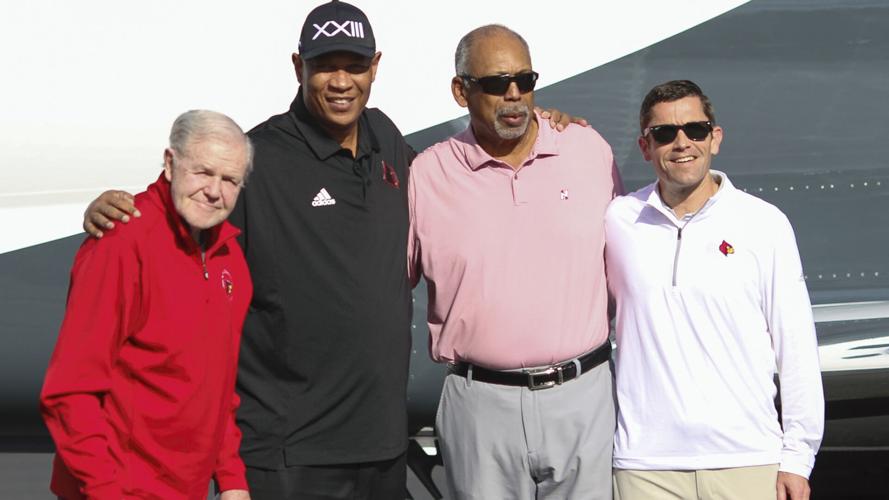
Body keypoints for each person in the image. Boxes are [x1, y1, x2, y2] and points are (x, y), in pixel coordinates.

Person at [80, 4, 580, 499]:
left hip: (382, 448)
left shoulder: (386, 140)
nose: (342, 82)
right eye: (325, 66)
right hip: (287, 456)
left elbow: (468, 182)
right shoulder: (259, 159)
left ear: (375, 68)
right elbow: (180, 218)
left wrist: (542, 127)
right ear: (299, 68)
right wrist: (119, 212)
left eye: (355, 66)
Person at [408, 25, 622, 499]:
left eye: (525, 81)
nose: (514, 95)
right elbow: (386, 287)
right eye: (495, 83)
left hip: (583, 398)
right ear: (461, 91)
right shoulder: (428, 174)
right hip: (480, 406)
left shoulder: (588, 150)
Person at [605, 80, 824, 500]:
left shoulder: (764, 223)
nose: (682, 142)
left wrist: (798, 457)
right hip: (645, 468)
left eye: (696, 129)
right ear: (645, 146)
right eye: (664, 133)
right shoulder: (618, 220)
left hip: (747, 461)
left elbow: (794, 344)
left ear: (715, 138)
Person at [40, 110, 254, 500]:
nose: (214, 190)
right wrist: (105, 492)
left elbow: (218, 388)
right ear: (171, 164)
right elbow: (70, 392)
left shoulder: (230, 262)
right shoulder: (121, 243)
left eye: (230, 180)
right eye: (203, 172)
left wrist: (232, 478)